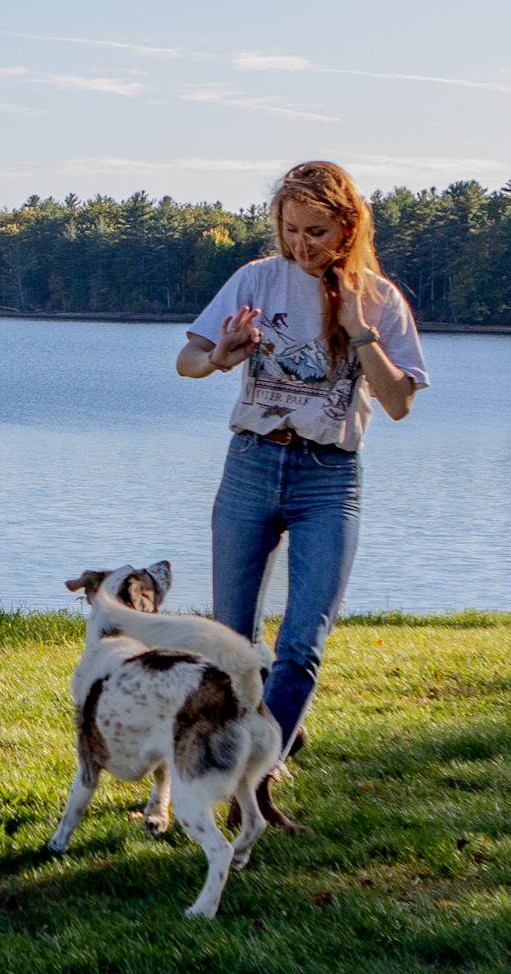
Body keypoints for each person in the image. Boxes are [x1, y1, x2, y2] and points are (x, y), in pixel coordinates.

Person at [176, 159, 426, 748]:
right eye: (291, 229)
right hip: (252, 465)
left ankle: (264, 760)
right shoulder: (257, 279)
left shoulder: (379, 298)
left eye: (315, 231)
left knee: (302, 642)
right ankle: (261, 725)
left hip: (329, 480)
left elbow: (398, 403)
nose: (301, 244)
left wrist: (358, 330)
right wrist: (221, 356)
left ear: (348, 227)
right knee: (231, 640)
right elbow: (186, 361)